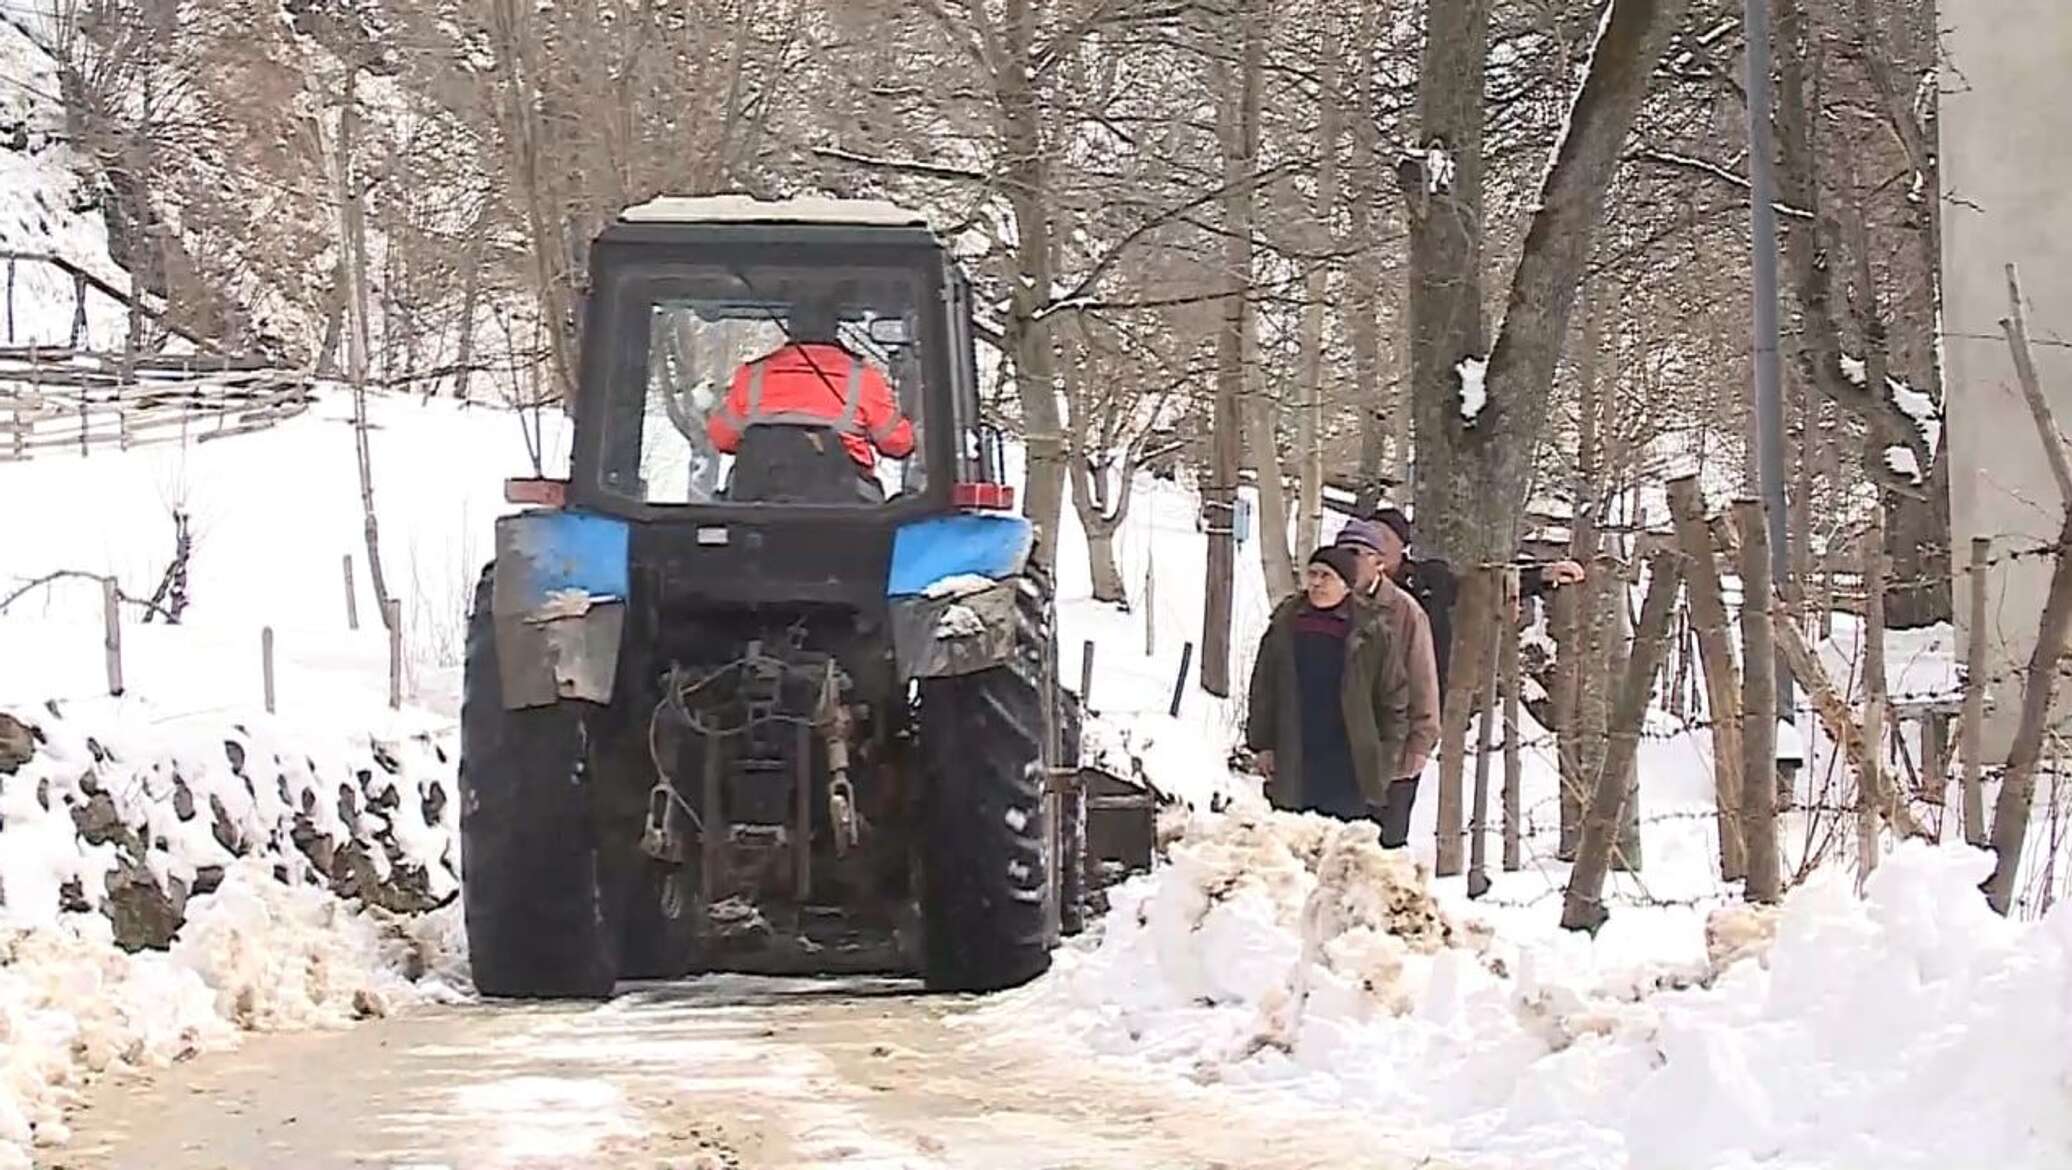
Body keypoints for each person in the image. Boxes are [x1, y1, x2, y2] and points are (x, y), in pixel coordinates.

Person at [1244, 546, 1412, 829]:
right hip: (1294, 751)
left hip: (1348, 757)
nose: (1317, 583)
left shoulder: (1371, 631)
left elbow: (1393, 698)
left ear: (1346, 584)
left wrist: (1383, 759)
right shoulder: (1286, 624)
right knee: (1293, 839)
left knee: (1339, 843)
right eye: (1312, 574)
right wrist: (1263, 745)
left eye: (1326, 576)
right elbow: (1263, 689)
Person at [1367, 505, 1586, 699]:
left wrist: (1542, 575)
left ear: (1401, 545)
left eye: (1384, 538)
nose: (1375, 546)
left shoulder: (1430, 580)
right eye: (1368, 538)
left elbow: (1482, 588)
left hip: (1420, 696)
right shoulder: (1345, 582)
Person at [706, 296, 916, 490]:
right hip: (844, 507)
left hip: (757, 505)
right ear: (834, 329)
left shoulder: (753, 374)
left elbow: (721, 438)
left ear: (790, 328)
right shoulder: (863, 378)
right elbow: (899, 443)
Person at [1332, 519, 1443, 846]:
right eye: (1341, 552)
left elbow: (1422, 678)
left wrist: (1420, 742)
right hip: (1335, 747)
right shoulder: (1325, 604)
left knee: (1383, 848)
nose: (1347, 561)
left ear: (1378, 562)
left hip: (1389, 747)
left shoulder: (1404, 612)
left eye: (1355, 552)